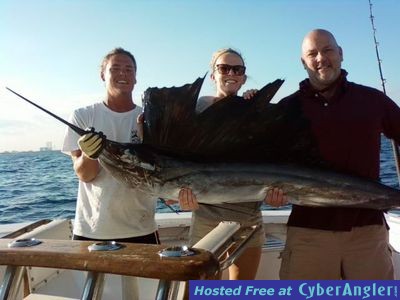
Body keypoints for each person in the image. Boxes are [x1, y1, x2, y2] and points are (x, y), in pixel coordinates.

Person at [266, 29, 400, 279]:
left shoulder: (373, 100)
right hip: (309, 233)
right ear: (303, 61)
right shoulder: (286, 109)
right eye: (312, 53)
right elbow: (265, 166)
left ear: (340, 54)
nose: (320, 58)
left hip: (367, 232)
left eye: (327, 50)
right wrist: (271, 194)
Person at [178, 48, 284, 280]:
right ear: (213, 75)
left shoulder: (253, 109)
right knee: (201, 293)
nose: (231, 73)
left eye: (238, 69)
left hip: (249, 217)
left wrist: (257, 106)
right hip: (206, 217)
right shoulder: (196, 110)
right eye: (224, 68)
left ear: (244, 77)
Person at [62, 47, 158, 299]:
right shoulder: (83, 116)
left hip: (141, 226)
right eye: (114, 68)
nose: (122, 73)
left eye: (129, 69)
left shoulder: (148, 118)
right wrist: (90, 154)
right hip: (94, 229)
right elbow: (85, 175)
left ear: (136, 77)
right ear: (102, 75)